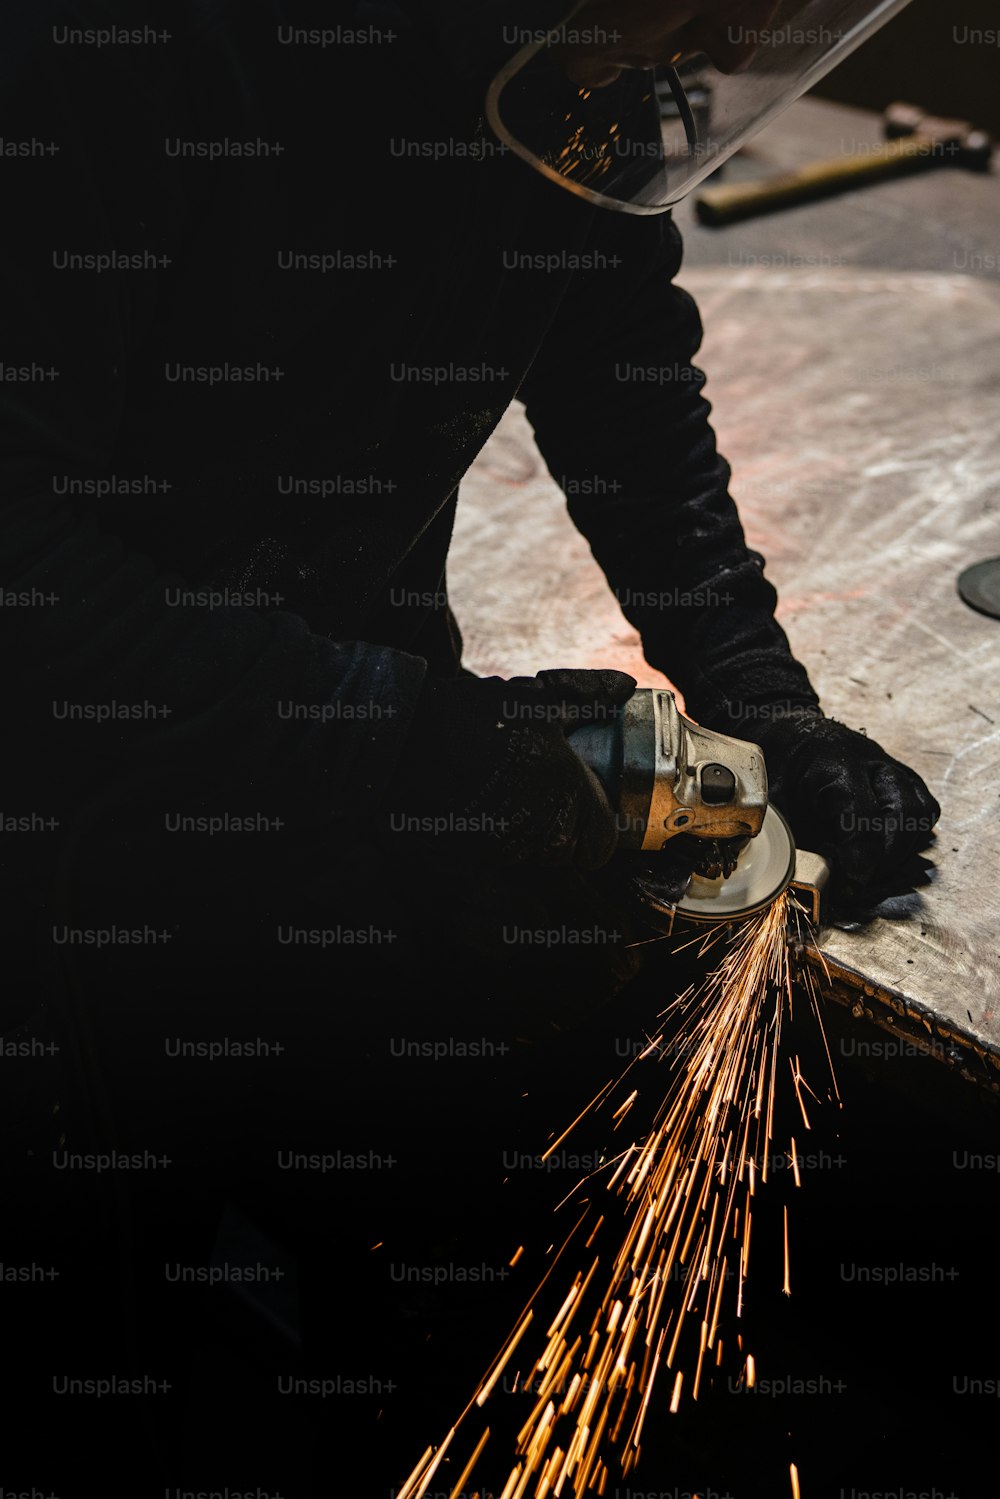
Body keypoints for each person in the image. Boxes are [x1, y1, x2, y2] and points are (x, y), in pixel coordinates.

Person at [1, 0, 937, 1491]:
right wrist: (419, 742)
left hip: (316, 778)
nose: (699, 48)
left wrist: (763, 696)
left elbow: (617, 360)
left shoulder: (580, 65)